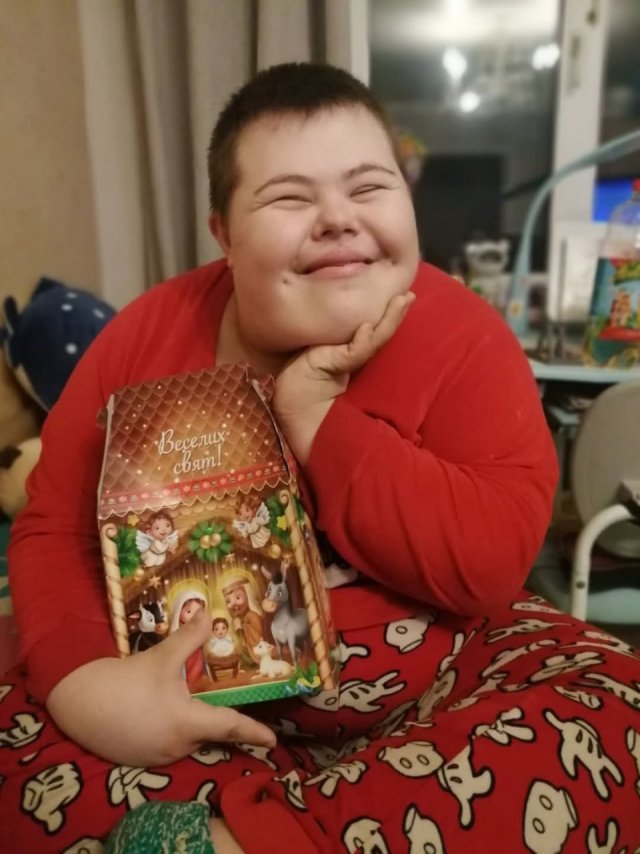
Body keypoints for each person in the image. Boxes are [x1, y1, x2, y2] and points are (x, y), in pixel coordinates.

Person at [2, 62, 640, 853]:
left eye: (369, 188)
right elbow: (53, 527)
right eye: (289, 198)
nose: (338, 218)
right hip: (192, 705)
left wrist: (317, 419)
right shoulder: (146, 335)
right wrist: (88, 690)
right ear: (224, 234)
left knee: (611, 705)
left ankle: (247, 836)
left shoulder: (468, 337)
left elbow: (491, 563)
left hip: (434, 686)